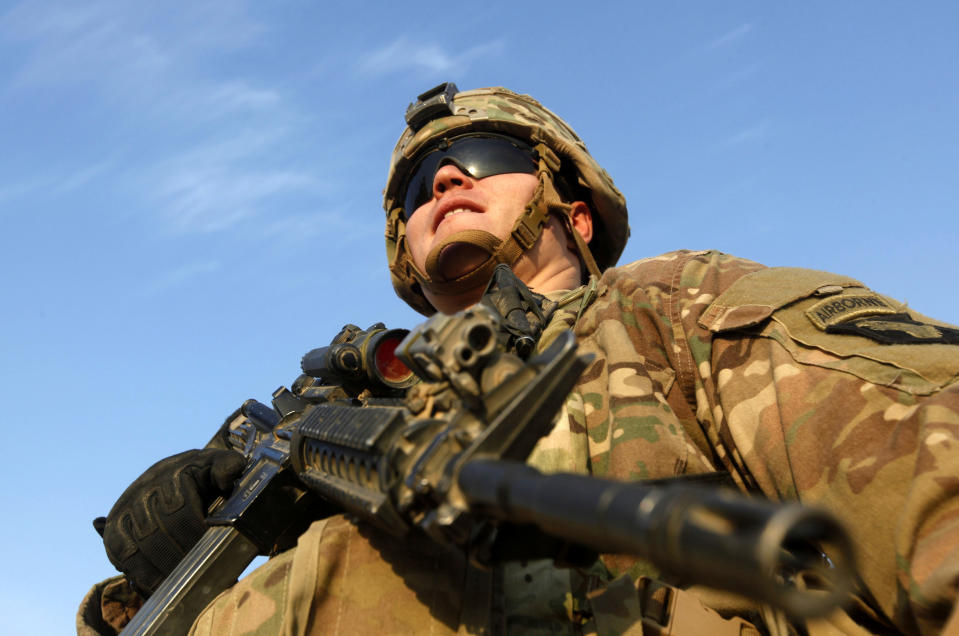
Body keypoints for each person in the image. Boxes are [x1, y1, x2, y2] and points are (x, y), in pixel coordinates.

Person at [79, 84, 959, 635]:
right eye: (422, 188)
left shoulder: (664, 308)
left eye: (484, 159)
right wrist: (148, 569)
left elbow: (929, 475)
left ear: (574, 213)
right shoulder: (353, 409)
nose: (447, 183)